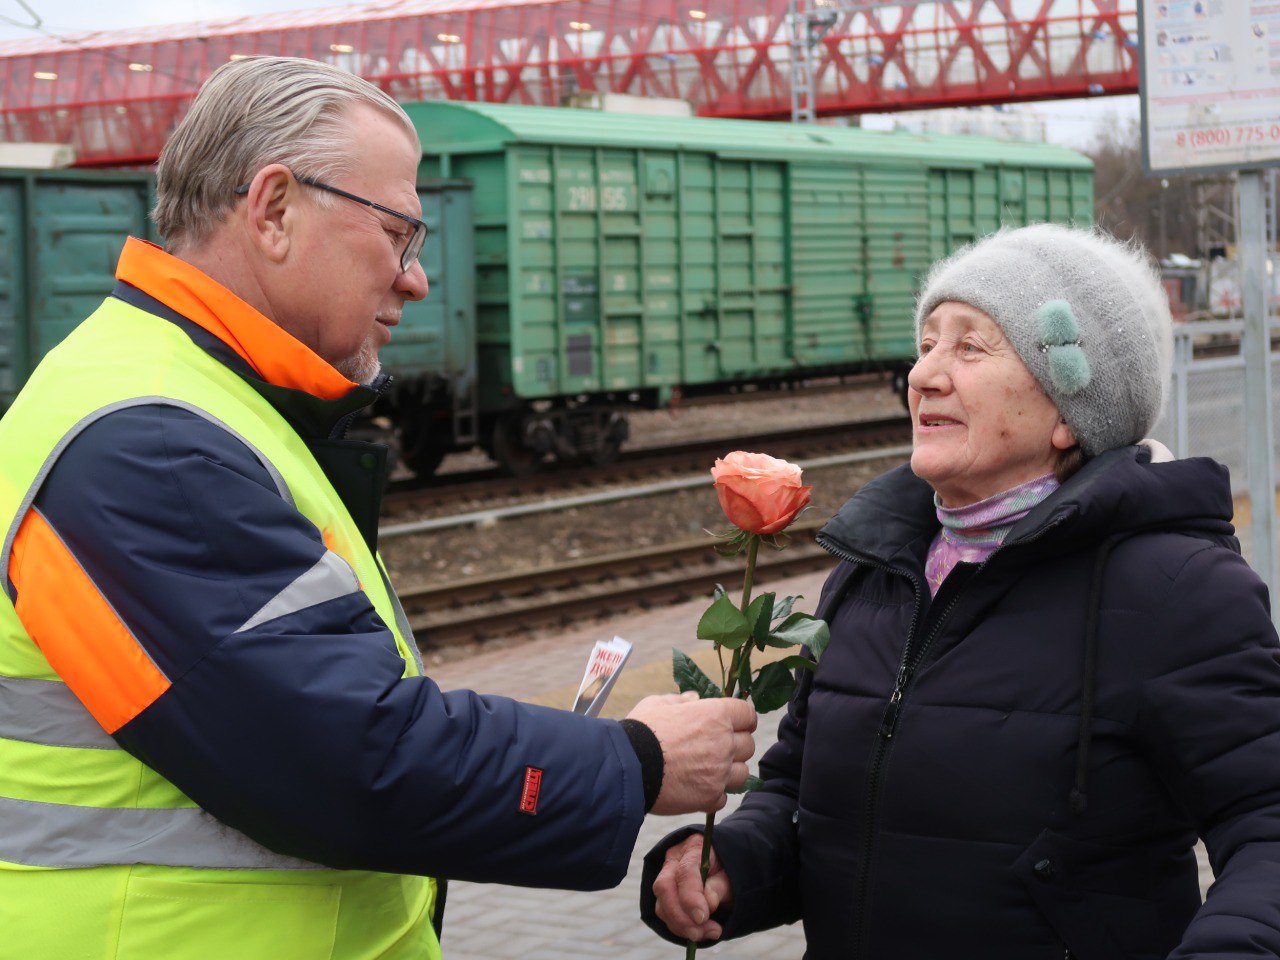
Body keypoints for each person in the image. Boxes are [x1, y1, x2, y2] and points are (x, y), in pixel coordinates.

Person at [0, 56, 756, 960]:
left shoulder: (179, 397)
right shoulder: (151, 439)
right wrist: (633, 761)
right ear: (274, 208)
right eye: (399, 233)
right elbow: (341, 760)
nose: (416, 280)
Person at [641, 223, 1280, 959]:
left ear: (1073, 415)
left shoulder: (1177, 591)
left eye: (971, 347)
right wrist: (729, 866)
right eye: (927, 344)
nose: (924, 376)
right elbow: (798, 795)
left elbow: (1265, 825)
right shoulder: (874, 572)